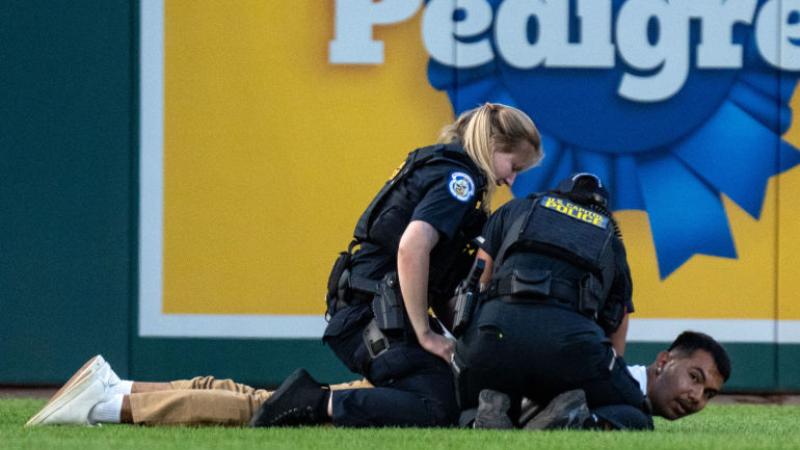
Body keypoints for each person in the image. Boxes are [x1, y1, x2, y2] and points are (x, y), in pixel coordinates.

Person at [449, 172, 718, 430]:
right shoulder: (611, 238)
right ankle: (573, 420)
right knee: (636, 416)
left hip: (492, 335)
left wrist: (469, 343)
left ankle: (479, 418)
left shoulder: (516, 208)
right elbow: (617, 322)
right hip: (566, 343)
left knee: (468, 400)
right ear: (602, 209)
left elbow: (477, 281)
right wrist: (607, 384)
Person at [24, 330, 729, 428]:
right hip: (436, 378)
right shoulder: (600, 371)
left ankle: (124, 385)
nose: (696, 396)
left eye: (709, 393)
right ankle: (110, 407)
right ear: (663, 360)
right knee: (283, 412)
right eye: (694, 376)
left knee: (274, 399)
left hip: (430, 368)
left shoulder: (603, 371)